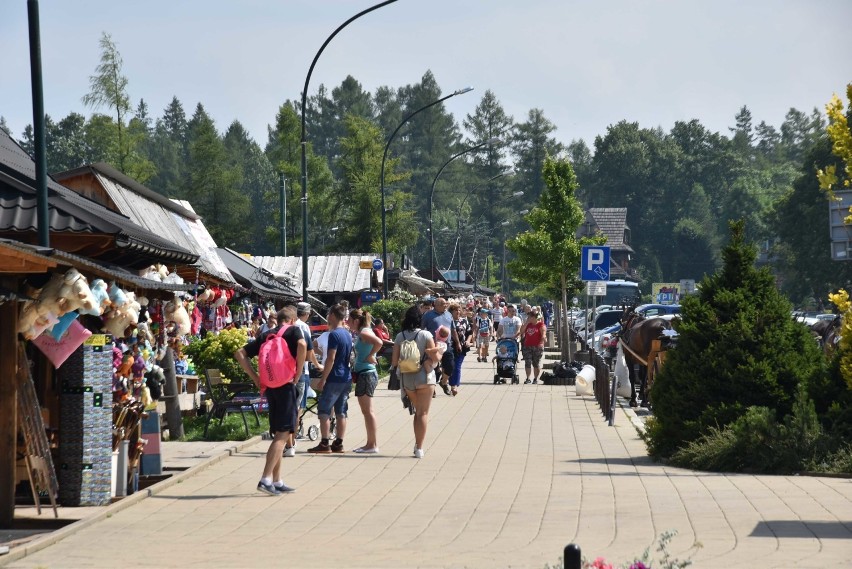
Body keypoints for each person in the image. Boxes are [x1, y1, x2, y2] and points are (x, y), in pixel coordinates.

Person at [233, 306, 306, 495]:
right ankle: (265, 479)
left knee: (277, 434)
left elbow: (240, 353)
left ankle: (277, 480)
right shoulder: (294, 330)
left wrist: (256, 378)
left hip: (270, 388)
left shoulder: (267, 335)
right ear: (291, 320)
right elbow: (303, 346)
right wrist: (297, 374)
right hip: (286, 386)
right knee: (283, 435)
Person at [391, 305, 437, 458]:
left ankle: (417, 444)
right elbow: (434, 357)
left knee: (417, 412)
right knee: (423, 413)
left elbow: (394, 361)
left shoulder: (400, 336)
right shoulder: (426, 335)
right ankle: (419, 448)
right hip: (425, 377)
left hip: (407, 378)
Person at [308, 304, 352, 454]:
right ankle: (339, 443)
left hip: (334, 377)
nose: (327, 317)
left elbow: (330, 358)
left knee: (324, 410)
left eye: (328, 314)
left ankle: (324, 442)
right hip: (346, 377)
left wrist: (323, 379)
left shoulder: (334, 334)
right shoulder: (347, 333)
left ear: (333, 315)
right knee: (341, 411)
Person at [286, 302, 322, 456]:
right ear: (306, 314)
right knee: (297, 408)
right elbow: (309, 351)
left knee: (289, 407)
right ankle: (292, 442)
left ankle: (289, 442)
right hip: (301, 372)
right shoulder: (304, 327)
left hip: (285, 372)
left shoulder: (286, 327)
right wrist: (317, 364)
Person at [349, 308, 383, 454]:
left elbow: (379, 342)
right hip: (364, 373)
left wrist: (371, 355)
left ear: (356, 321)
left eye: (349, 320)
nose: (348, 323)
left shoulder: (364, 332)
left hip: (366, 373)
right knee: (367, 411)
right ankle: (370, 443)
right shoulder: (364, 331)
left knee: (368, 411)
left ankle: (372, 444)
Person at [422, 297, 461, 396]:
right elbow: (421, 329)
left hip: (447, 345)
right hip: (433, 345)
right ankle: (432, 388)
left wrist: (457, 342)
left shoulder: (448, 314)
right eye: (444, 304)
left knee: (450, 366)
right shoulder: (428, 315)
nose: (446, 306)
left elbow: (453, 330)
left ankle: (443, 382)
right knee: (433, 368)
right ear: (437, 305)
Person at [447, 303, 471, 396]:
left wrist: (468, 341)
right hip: (450, 346)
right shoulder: (448, 321)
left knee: (457, 366)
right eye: (455, 310)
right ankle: (447, 382)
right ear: (451, 312)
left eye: (459, 310)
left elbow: (470, 332)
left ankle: (454, 386)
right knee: (450, 366)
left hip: (462, 347)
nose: (457, 312)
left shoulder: (464, 321)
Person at [520, 310, 547, 384]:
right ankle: (528, 378)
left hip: (537, 347)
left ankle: (535, 378)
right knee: (527, 362)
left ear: (534, 317)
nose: (528, 318)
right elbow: (521, 331)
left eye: (530, 317)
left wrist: (543, 338)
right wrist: (526, 323)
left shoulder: (541, 325)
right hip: (527, 346)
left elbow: (543, 333)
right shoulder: (528, 325)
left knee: (536, 363)